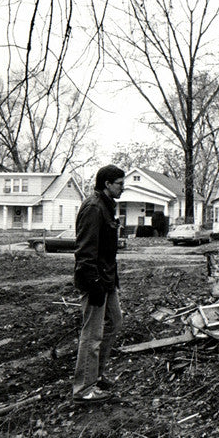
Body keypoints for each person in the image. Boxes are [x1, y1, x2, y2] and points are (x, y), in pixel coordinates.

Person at [72, 164, 126, 403]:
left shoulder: (106, 206)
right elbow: (85, 252)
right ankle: (84, 388)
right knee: (92, 334)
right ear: (107, 184)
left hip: (106, 279)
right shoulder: (94, 208)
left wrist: (110, 282)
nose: (123, 188)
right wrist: (93, 284)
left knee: (115, 322)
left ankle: (96, 375)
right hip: (94, 281)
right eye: (120, 184)